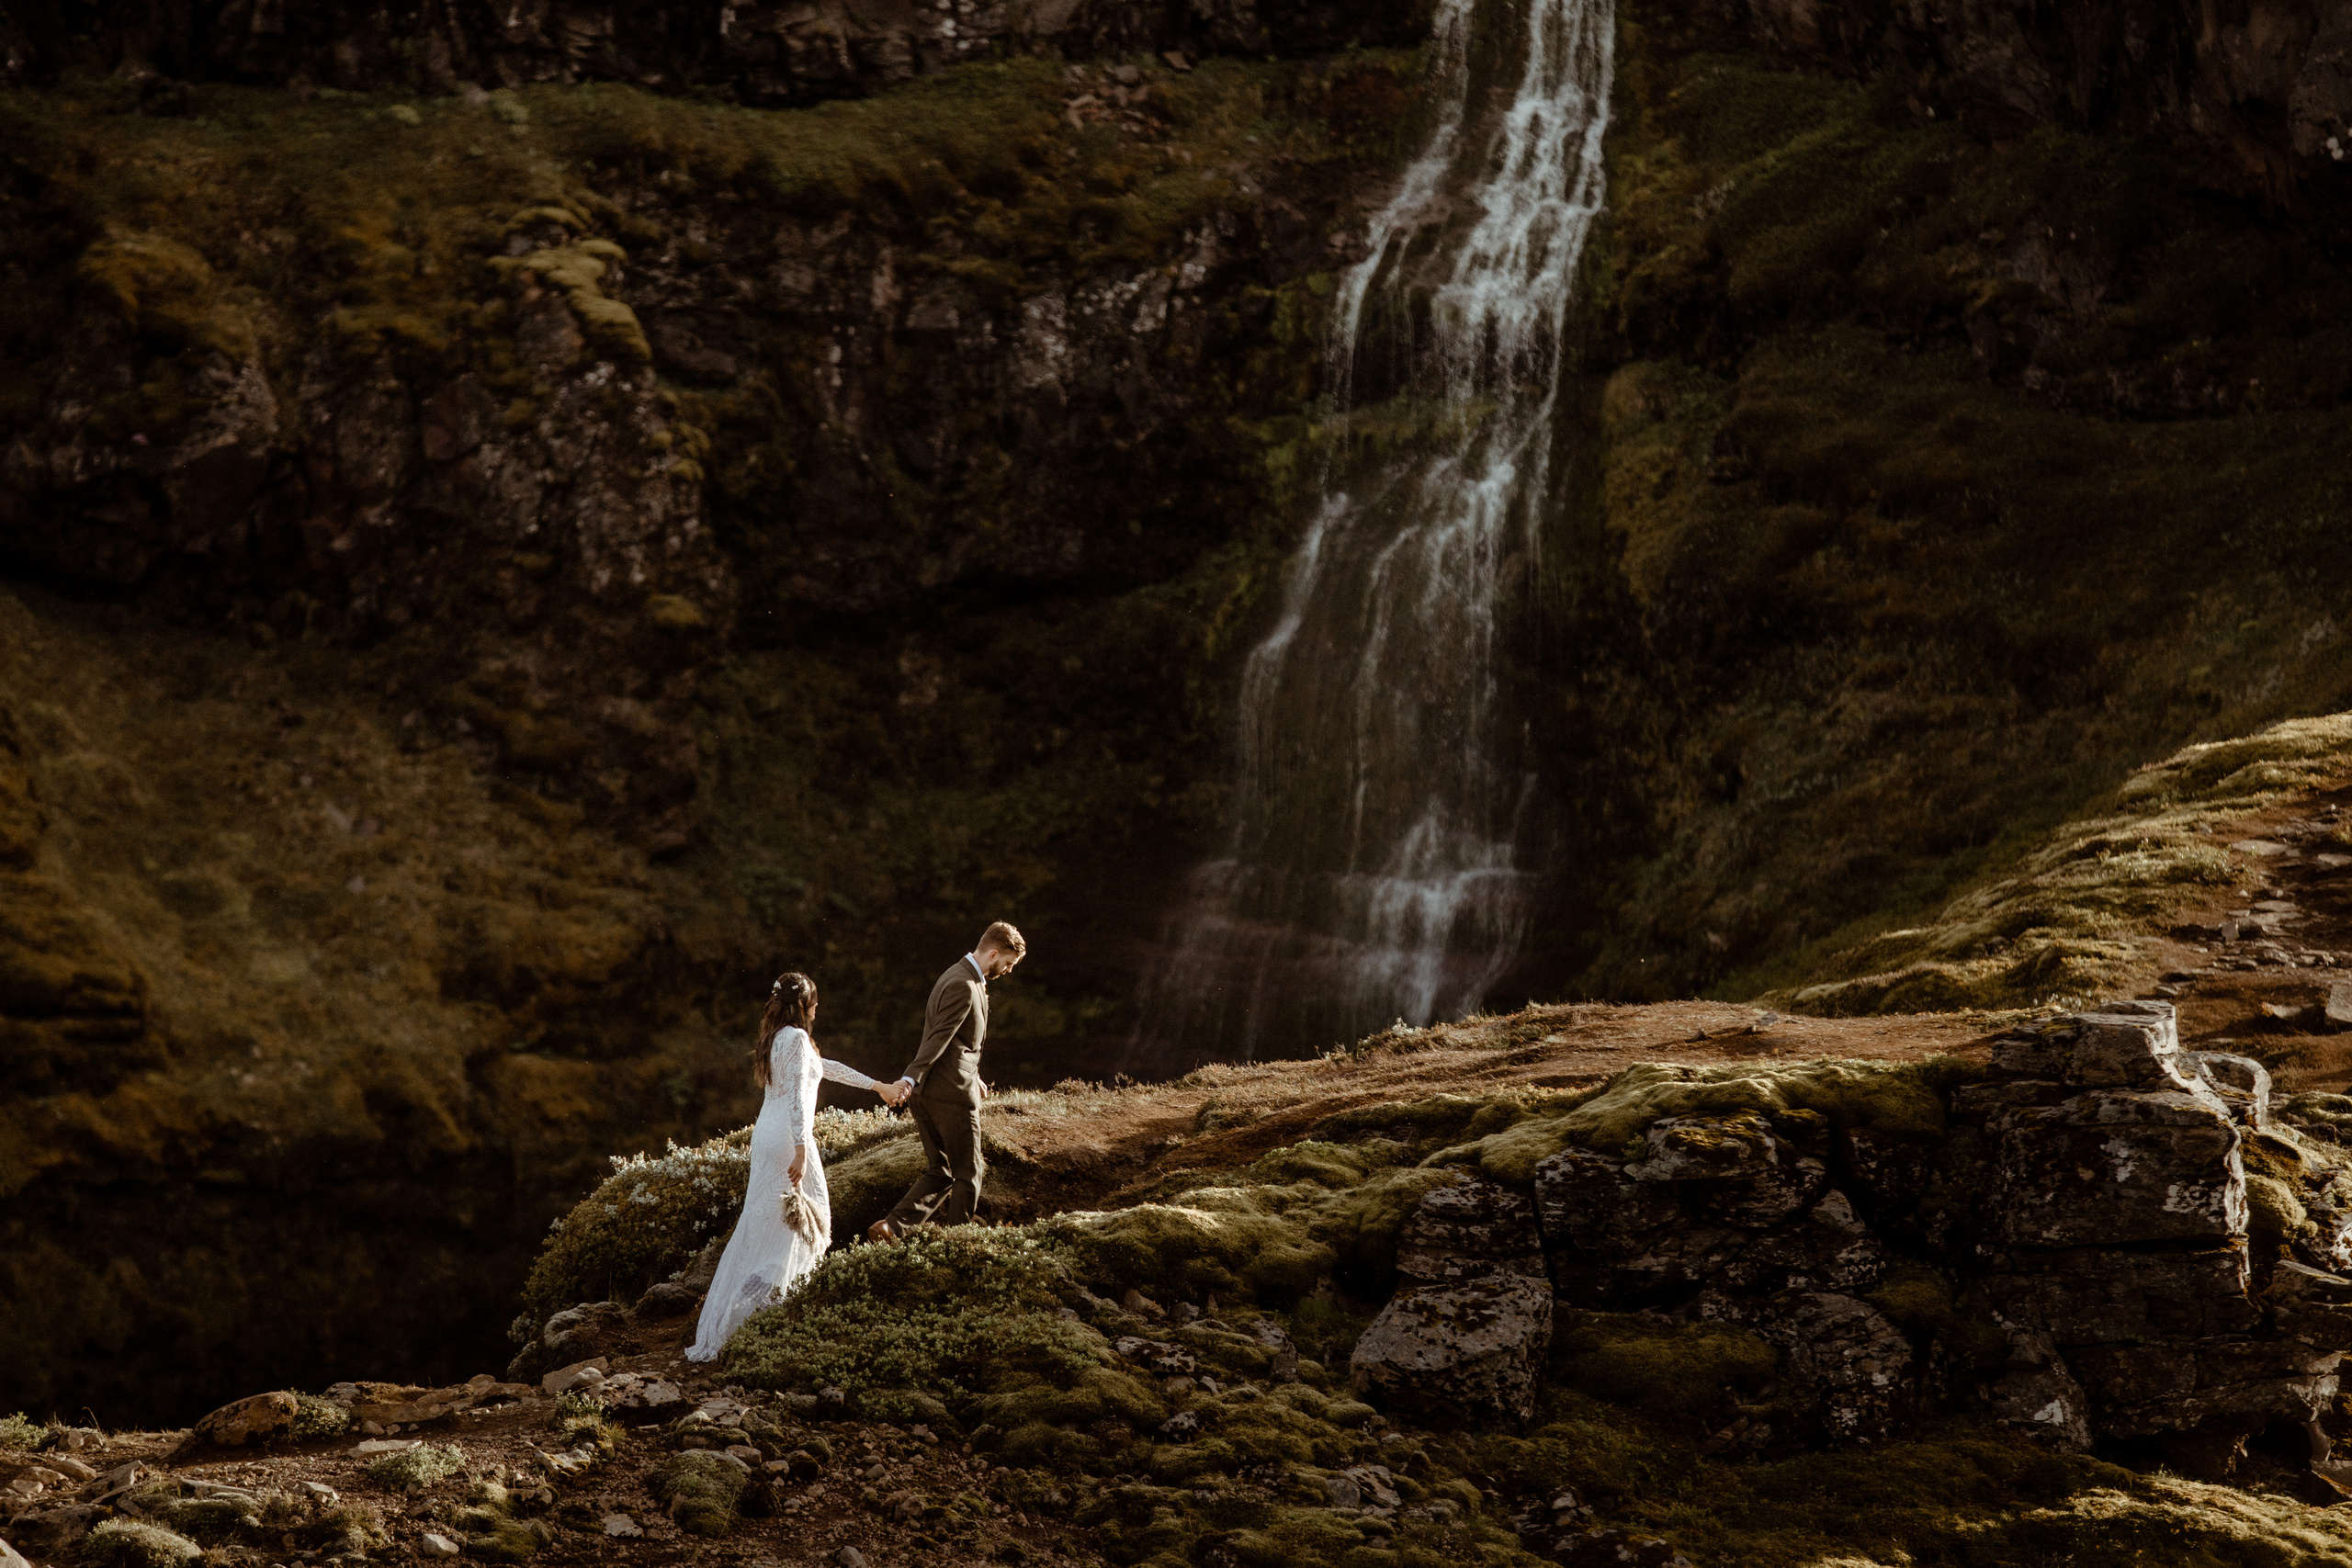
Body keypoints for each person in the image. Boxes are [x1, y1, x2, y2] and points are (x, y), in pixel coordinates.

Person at [686, 971, 901, 1361]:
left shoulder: (778, 1038)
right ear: (804, 1005)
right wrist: (803, 1148)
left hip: (767, 1137)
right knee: (808, 1222)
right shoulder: (798, 1039)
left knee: (769, 1226)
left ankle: (748, 1311)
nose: (818, 1010)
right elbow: (798, 1099)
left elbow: (824, 1068)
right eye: (815, 1003)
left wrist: (878, 1086)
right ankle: (770, 1313)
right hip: (787, 1138)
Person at [868, 921, 1026, 1241]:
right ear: (994, 953)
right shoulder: (965, 985)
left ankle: (891, 1226)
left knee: (942, 1171)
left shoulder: (954, 975)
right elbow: (938, 1038)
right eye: (1008, 963)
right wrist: (909, 1078)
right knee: (970, 1172)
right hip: (949, 1094)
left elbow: (956, 1039)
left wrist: (974, 1074)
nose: (1008, 970)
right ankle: (959, 1243)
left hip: (931, 1093)